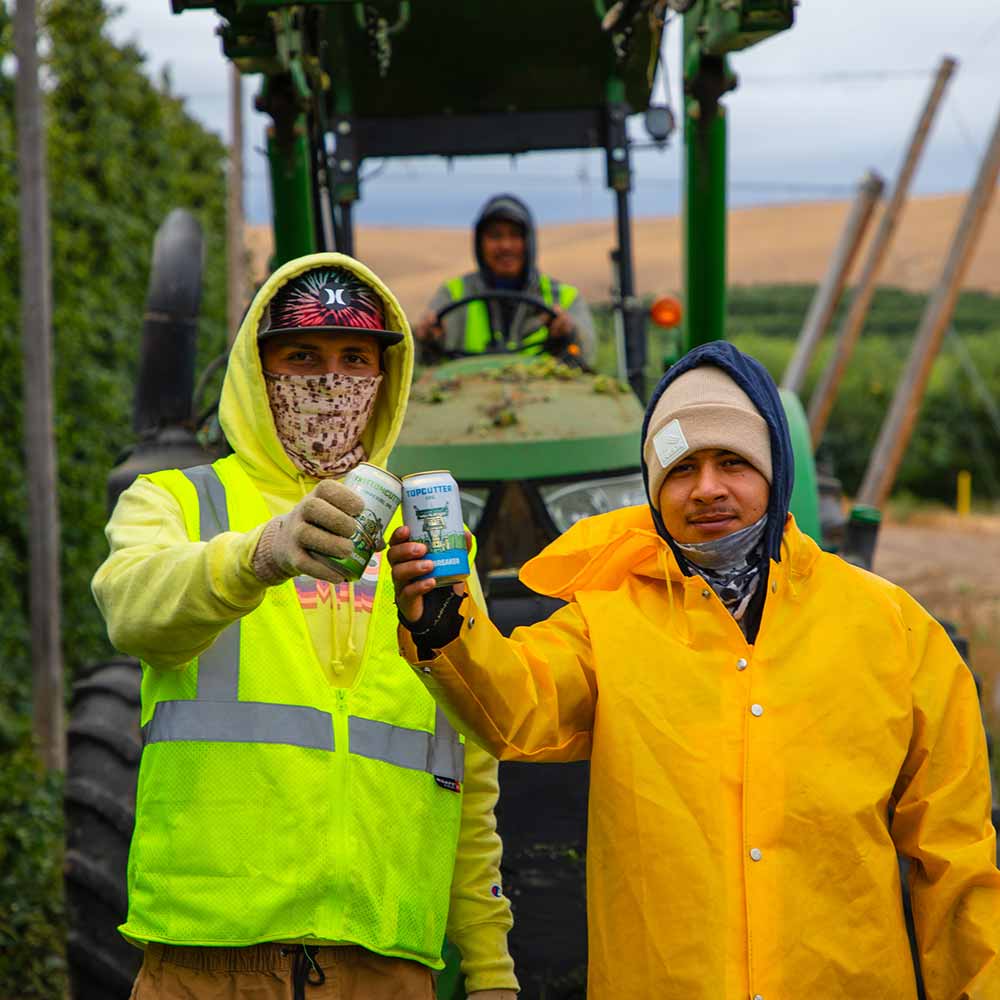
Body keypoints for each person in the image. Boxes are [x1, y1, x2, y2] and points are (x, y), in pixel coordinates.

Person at [388, 340, 1000, 1000]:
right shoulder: (608, 624)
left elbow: (956, 860)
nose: (706, 488)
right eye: (681, 469)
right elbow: (517, 706)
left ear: (775, 470)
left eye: (731, 461)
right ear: (654, 491)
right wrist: (443, 624)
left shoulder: (895, 631)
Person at [92, 253, 518, 1000]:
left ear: (387, 379)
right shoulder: (177, 501)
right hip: (207, 964)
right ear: (259, 372)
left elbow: (468, 769)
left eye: (356, 358)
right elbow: (132, 609)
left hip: (386, 968)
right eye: (302, 356)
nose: (331, 380)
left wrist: (489, 969)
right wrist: (258, 554)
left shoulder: (434, 539)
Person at [413, 193, 596, 365]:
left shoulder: (564, 298)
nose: (505, 245)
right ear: (479, 244)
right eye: (495, 236)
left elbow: (587, 355)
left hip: (547, 395)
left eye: (515, 235)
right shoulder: (452, 294)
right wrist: (426, 339)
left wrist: (568, 334)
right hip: (465, 392)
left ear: (529, 242)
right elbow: (419, 358)